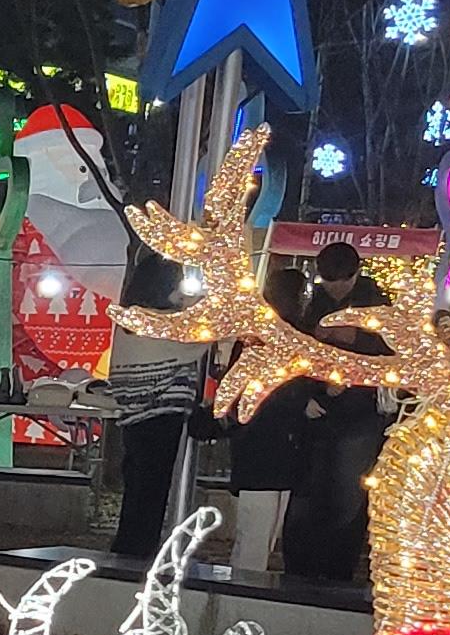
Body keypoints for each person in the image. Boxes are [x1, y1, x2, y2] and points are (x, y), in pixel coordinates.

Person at [282, 248, 388, 585]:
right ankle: (301, 569)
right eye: (330, 281)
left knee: (347, 495)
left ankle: (336, 570)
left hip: (358, 414)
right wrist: (312, 391)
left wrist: (354, 346)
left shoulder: (376, 304)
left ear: (357, 273)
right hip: (318, 410)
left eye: (343, 281)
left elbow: (391, 354)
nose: (336, 288)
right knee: (308, 490)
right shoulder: (313, 304)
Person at [104, 244, 211, 561]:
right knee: (152, 487)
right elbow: (198, 339)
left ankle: (130, 544)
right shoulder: (160, 323)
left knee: (138, 483)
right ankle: (139, 547)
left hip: (133, 414)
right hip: (161, 412)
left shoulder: (131, 318)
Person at [225, 260, 321, 581]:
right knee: (256, 537)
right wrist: (299, 403)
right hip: (265, 445)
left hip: (269, 448)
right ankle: (240, 593)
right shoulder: (266, 338)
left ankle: (243, 589)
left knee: (261, 536)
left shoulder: (264, 336)